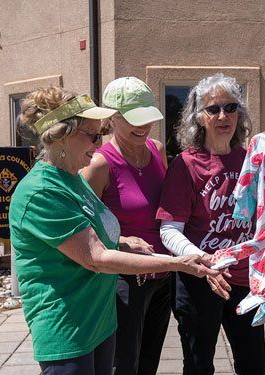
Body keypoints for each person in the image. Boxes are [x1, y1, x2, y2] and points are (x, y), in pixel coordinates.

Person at [9, 87, 220, 375]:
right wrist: (177, 263)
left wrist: (120, 241)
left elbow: (89, 237)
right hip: (68, 328)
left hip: (100, 320)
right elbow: (94, 257)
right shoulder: (42, 191)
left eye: (100, 134)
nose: (99, 142)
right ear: (62, 136)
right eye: (93, 135)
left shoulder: (72, 178)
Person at [156, 73, 265, 375]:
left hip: (245, 281)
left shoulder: (252, 161)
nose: (223, 115)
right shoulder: (186, 164)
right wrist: (205, 261)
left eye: (230, 107)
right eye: (213, 109)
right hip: (200, 280)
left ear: (240, 113)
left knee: (254, 364)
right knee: (199, 365)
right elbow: (169, 231)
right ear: (199, 118)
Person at [81, 77, 170, 375]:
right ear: (113, 118)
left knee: (149, 362)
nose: (144, 127)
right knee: (124, 363)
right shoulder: (99, 165)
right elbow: (81, 228)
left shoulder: (157, 150)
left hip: (163, 273)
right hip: (124, 279)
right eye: (135, 119)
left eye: (148, 117)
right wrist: (120, 239)